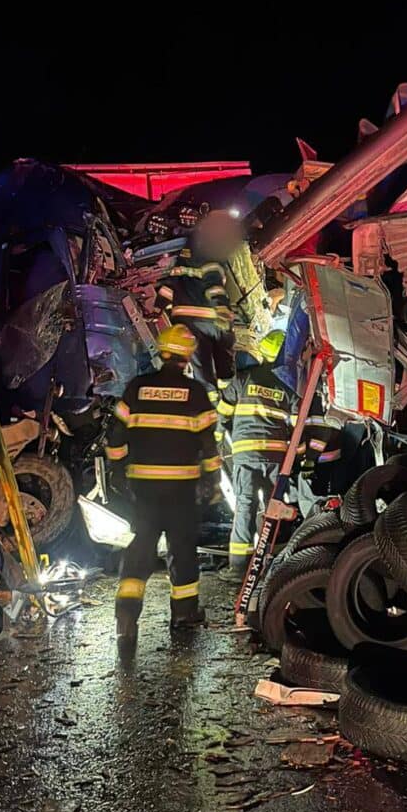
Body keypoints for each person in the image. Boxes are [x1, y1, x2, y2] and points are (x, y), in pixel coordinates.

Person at [106, 325, 221, 652]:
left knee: (139, 550)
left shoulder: (137, 388)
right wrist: (212, 481)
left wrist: (117, 471)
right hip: (182, 491)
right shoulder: (195, 393)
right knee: (182, 551)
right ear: (186, 357)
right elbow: (208, 445)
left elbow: (116, 437)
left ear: (162, 351)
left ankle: (126, 617)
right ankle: (184, 615)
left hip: (143, 490)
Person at [216, 330, 298, 575]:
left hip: (246, 455)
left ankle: (239, 566)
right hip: (277, 457)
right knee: (276, 507)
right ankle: (275, 561)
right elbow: (296, 423)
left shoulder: (244, 378)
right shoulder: (288, 386)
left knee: (245, 506)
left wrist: (218, 440)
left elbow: (223, 411)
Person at [156, 213, 239, 397]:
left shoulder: (184, 255)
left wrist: (157, 307)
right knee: (224, 357)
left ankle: (211, 397)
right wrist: (222, 309)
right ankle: (226, 391)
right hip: (211, 318)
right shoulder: (212, 253)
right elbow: (214, 285)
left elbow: (171, 284)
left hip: (188, 320)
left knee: (201, 365)